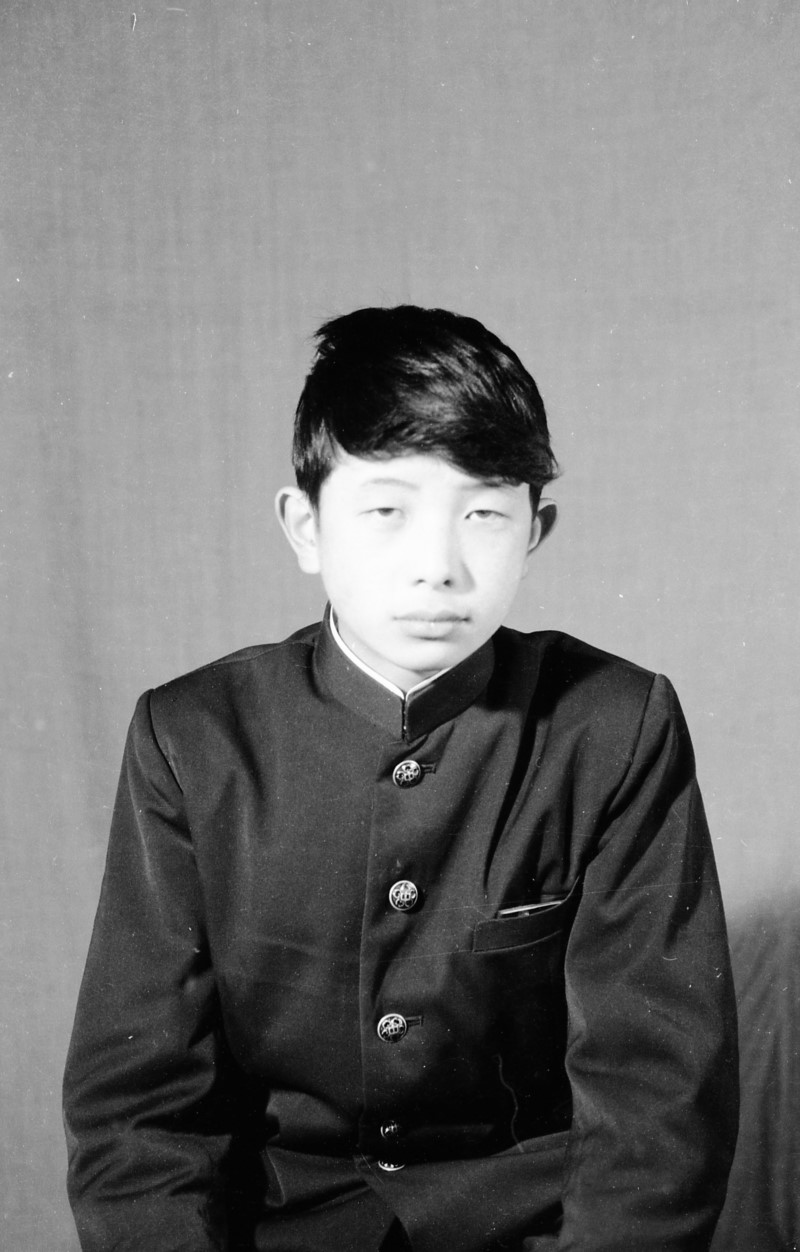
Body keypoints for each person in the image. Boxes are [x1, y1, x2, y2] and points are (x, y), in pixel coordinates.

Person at [63, 306, 739, 1252]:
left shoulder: (615, 727)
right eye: (387, 510)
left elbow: (656, 1105)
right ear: (305, 527)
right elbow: (140, 1112)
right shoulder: (194, 738)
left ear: (536, 530)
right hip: (275, 1229)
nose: (437, 567)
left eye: (484, 514)